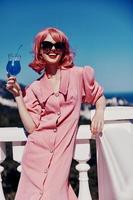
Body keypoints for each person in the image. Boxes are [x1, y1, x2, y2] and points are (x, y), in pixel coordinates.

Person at [6, 27, 106, 200]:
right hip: (34, 159)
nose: (52, 49)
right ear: (39, 50)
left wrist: (99, 111)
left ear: (63, 49)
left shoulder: (78, 75)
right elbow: (32, 127)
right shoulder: (34, 88)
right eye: (47, 45)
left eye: (57, 45)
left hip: (60, 161)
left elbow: (98, 96)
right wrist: (18, 97)